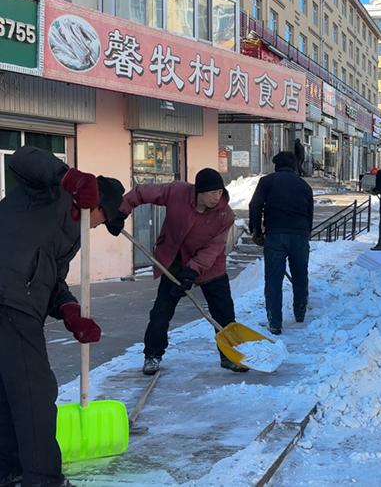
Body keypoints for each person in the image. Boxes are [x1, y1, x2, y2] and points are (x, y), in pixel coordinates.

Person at [0, 146, 125, 487]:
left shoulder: (72, 238)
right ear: (98, 206)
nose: (98, 226)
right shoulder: (50, 191)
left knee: (8, 392)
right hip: (10, 299)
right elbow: (21, 158)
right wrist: (67, 176)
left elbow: (52, 279)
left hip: (18, 302)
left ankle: (9, 470)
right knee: (35, 392)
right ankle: (43, 479)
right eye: (103, 219)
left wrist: (71, 312)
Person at [108, 168, 244, 375]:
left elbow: (213, 248)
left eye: (219, 192)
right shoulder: (177, 192)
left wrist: (192, 271)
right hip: (175, 260)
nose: (217, 197)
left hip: (210, 267)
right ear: (199, 191)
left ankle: (230, 355)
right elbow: (141, 192)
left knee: (223, 312)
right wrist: (121, 212)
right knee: (161, 312)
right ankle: (152, 355)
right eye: (212, 193)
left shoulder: (225, 214)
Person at [248, 151, 314, 336]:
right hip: (300, 236)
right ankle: (300, 313)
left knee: (273, 279)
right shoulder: (304, 185)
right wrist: (306, 233)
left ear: (276, 165)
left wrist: (256, 230)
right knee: (300, 275)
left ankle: (275, 323)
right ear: (294, 166)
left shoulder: (267, 182)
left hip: (275, 235)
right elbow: (310, 213)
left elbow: (255, 206)